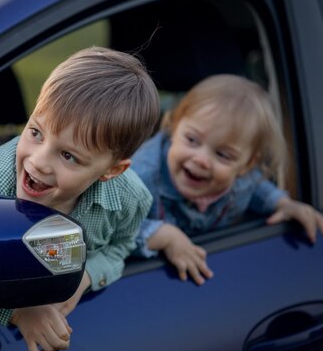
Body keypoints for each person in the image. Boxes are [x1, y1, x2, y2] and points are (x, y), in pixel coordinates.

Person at [0, 46, 161, 351]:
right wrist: (18, 312)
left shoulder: (129, 198)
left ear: (112, 170)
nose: (39, 162)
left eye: (68, 156)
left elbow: (121, 245)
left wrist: (87, 276)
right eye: (36, 132)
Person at [132, 74, 323, 286]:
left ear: (247, 165)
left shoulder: (243, 180)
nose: (202, 160)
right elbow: (110, 231)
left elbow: (257, 188)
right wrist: (163, 235)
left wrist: (283, 203)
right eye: (192, 140)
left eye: (223, 155)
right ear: (174, 127)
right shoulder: (140, 178)